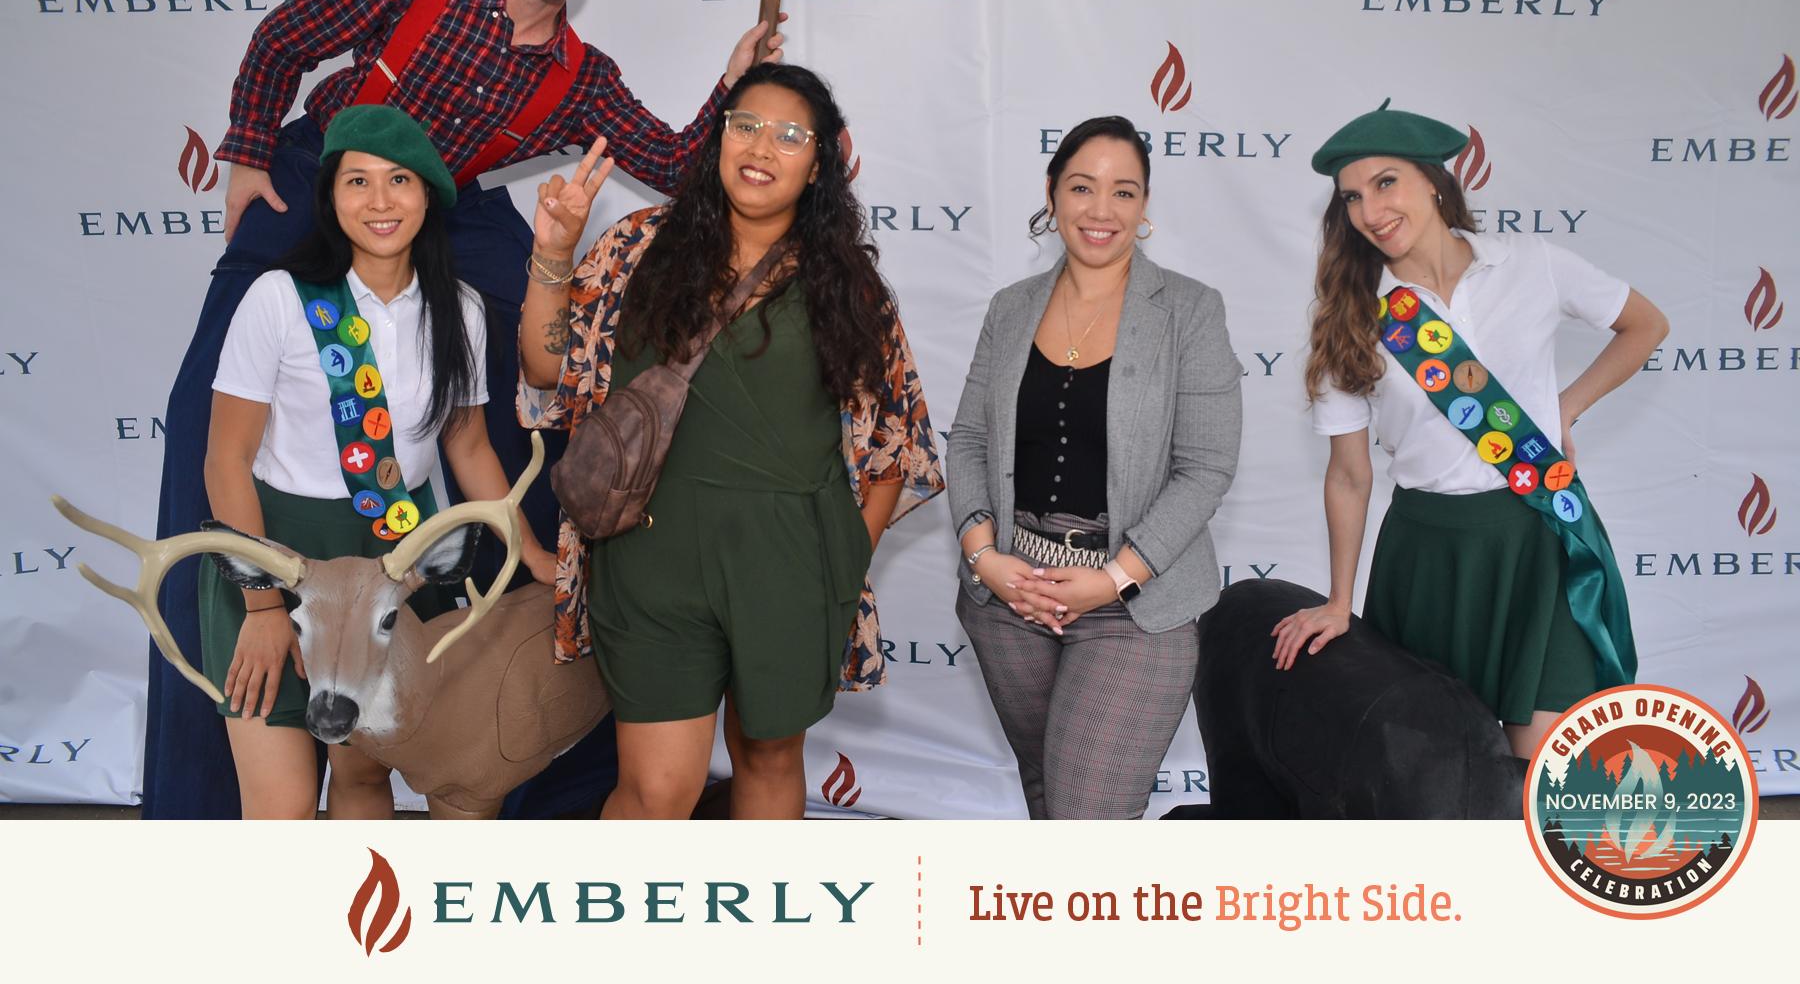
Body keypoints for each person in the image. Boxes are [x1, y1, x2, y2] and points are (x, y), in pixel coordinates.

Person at [150, 0, 782, 817]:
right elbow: (285, 36)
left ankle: (534, 637)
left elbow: (669, 157)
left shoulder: (579, 74)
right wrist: (245, 154)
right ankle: (221, 717)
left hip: (448, 206)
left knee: (553, 374)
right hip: (330, 166)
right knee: (211, 408)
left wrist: (735, 85)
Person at [517, 62, 942, 819]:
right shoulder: (638, 246)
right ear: (718, 138)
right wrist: (554, 251)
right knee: (657, 791)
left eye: (789, 135)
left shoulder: (847, 285)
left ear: (820, 164)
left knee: (770, 759)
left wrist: (840, 563)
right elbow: (546, 367)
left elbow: (896, 447)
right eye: (744, 124)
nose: (761, 147)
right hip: (652, 561)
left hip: (789, 566)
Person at [1273, 100, 1668, 759]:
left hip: (1536, 538)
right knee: (1438, 778)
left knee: (1546, 771)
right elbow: (1349, 473)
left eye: (1386, 182)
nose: (1371, 211)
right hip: (1428, 558)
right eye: (1351, 197)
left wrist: (1565, 408)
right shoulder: (1354, 313)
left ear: (1433, 180)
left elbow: (1646, 325)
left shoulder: (1530, 264)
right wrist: (1341, 600)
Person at [201, 105, 555, 818]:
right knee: (283, 803)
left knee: (365, 777)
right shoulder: (278, 299)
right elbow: (224, 461)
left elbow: (468, 446)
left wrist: (538, 557)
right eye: (357, 181)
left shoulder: (459, 309)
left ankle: (361, 933)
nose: (380, 201)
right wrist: (264, 606)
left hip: (398, 560)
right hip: (280, 556)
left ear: (428, 195)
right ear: (331, 197)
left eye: (400, 180)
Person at [947, 115, 1243, 819]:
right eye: (1082, 187)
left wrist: (1111, 580)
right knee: (1049, 797)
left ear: (1144, 209)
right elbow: (966, 439)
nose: (1101, 210)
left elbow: (1206, 467)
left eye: (1124, 192)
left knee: (1087, 822)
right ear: (1052, 196)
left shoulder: (1190, 312)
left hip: (1135, 608)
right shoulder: (1011, 308)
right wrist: (985, 558)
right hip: (1011, 602)